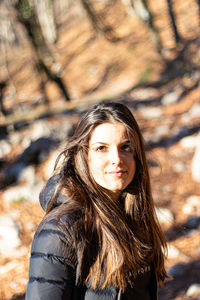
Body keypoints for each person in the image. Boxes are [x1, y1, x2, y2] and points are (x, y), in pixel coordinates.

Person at [26, 101, 168, 300]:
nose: (117, 158)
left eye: (126, 147)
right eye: (101, 148)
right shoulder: (61, 231)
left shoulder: (135, 215)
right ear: (84, 156)